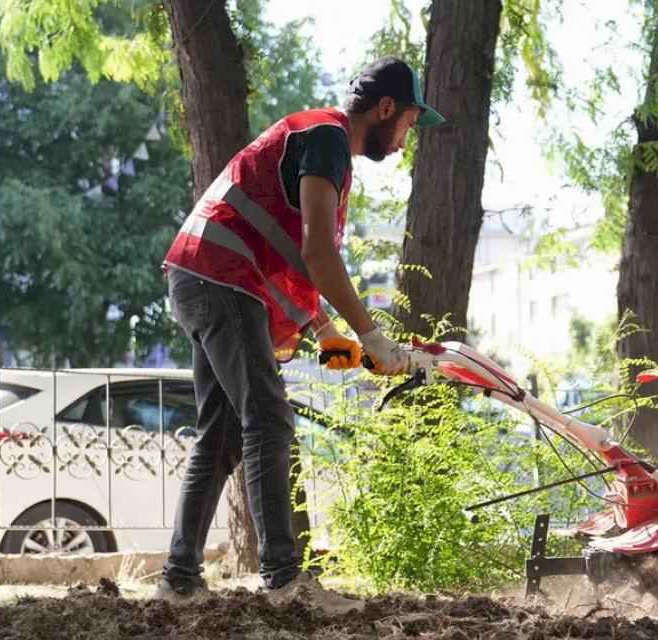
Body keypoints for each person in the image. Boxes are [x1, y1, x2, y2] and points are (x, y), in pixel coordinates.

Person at [153, 57, 444, 612]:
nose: (406, 141)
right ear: (385, 109)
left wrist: (327, 327)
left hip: (204, 276)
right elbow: (316, 250)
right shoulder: (328, 137)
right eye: (408, 123)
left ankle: (178, 580)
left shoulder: (320, 140)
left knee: (220, 435)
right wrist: (371, 333)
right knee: (267, 418)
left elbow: (286, 248)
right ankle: (286, 583)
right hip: (222, 278)